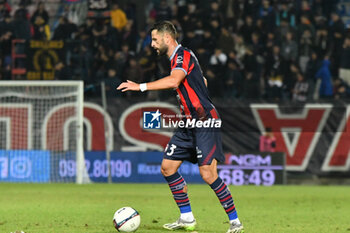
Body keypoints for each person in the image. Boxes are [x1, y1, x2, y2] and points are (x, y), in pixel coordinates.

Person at [117, 21, 244, 233]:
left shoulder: (181, 54)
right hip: (187, 122)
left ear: (167, 38)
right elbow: (201, 79)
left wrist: (140, 86)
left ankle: (235, 222)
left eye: (155, 40)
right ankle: (186, 218)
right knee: (167, 168)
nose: (152, 44)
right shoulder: (181, 57)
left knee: (208, 174)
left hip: (204, 120)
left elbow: (174, 81)